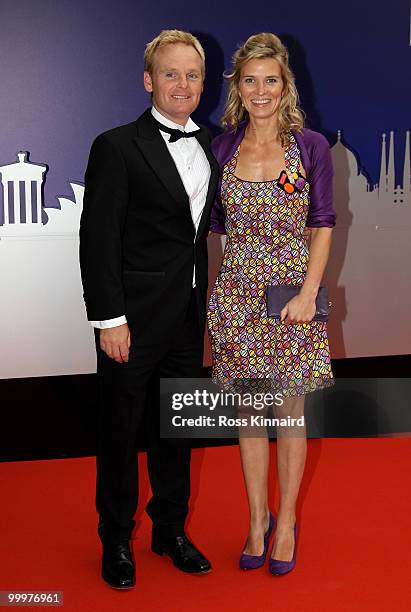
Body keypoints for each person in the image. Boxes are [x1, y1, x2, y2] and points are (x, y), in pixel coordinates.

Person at [79, 29, 219, 589]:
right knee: (119, 435)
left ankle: (170, 531)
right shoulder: (115, 146)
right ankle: (115, 540)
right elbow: (98, 239)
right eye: (170, 73)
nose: (182, 83)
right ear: (148, 81)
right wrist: (108, 320)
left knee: (177, 432)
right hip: (130, 324)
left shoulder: (212, 147)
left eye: (192, 74)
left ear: (202, 84)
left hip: (187, 319)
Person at [208, 32, 336, 575]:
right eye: (250, 80)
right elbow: (214, 228)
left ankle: (286, 523)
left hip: (290, 302)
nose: (261, 90)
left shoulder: (311, 146)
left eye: (271, 80)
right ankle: (257, 518)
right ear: (237, 86)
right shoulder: (221, 147)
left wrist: (309, 291)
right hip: (236, 298)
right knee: (249, 415)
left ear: (286, 86)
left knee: (287, 412)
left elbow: (323, 223)